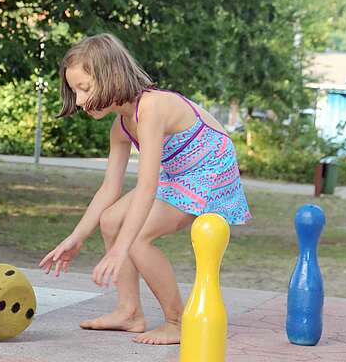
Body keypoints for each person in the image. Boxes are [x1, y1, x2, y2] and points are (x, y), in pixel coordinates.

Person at [39, 33, 251, 345]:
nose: (80, 99)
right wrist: (76, 237)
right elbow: (109, 188)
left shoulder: (151, 107)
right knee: (111, 219)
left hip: (210, 170)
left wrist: (122, 248)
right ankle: (129, 312)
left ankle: (177, 321)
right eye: (74, 91)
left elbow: (147, 186)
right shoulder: (121, 126)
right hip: (178, 172)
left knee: (138, 240)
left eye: (84, 88)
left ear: (111, 76)